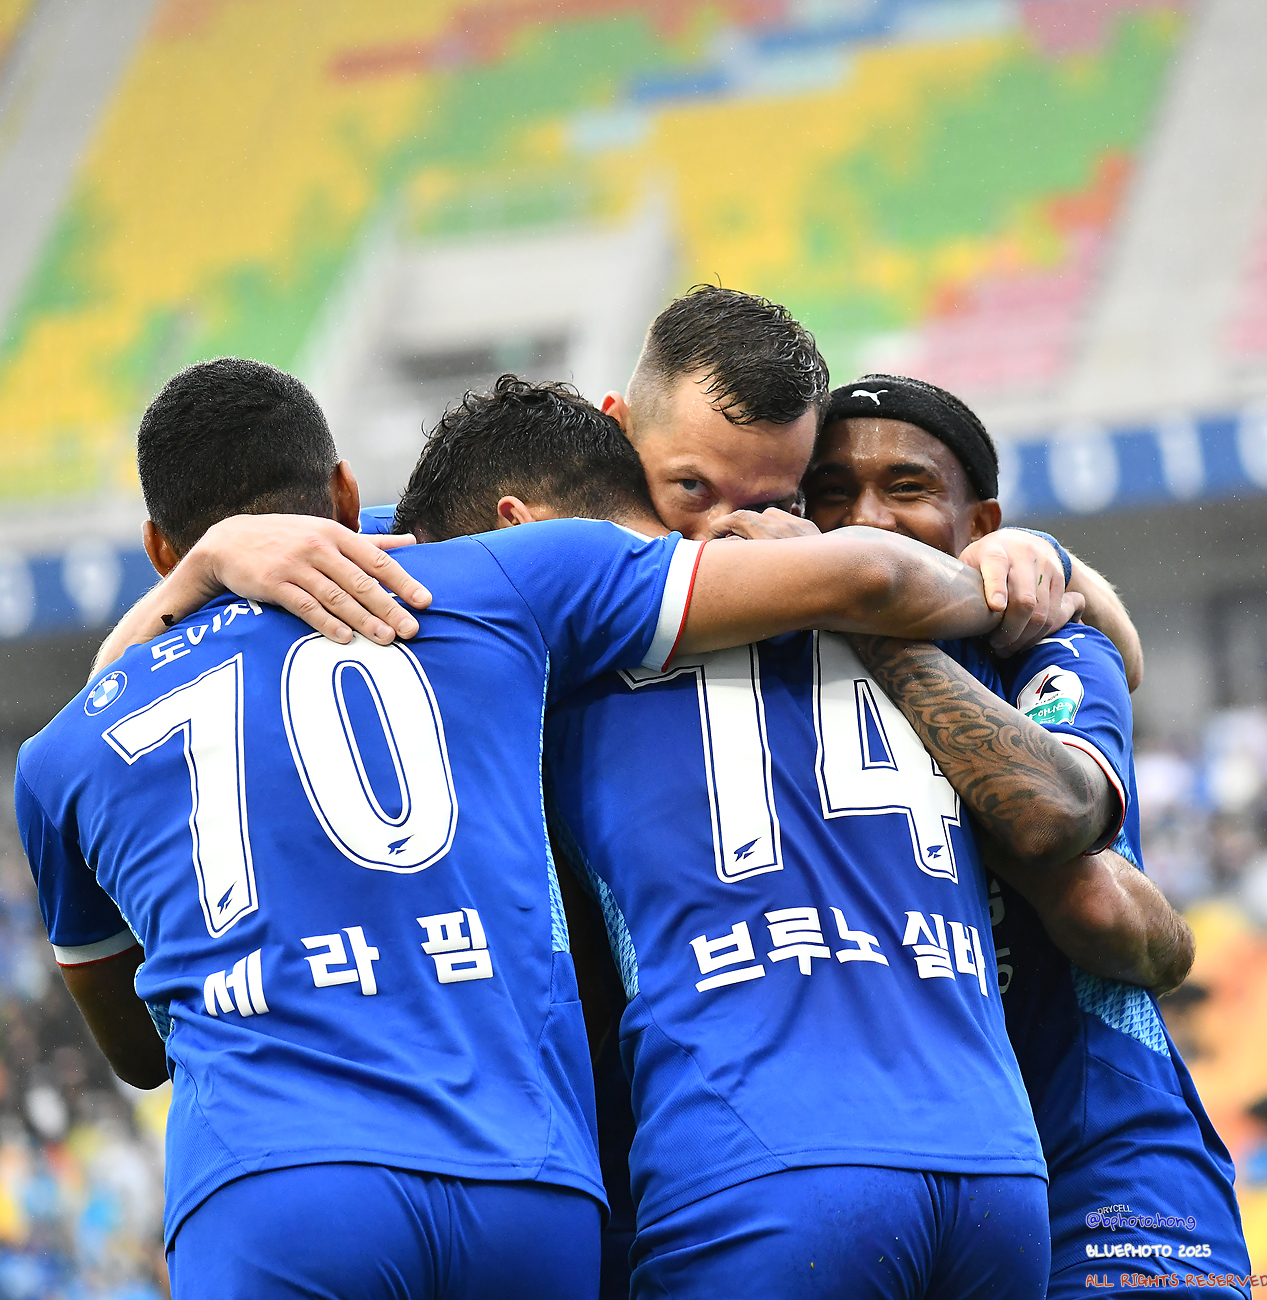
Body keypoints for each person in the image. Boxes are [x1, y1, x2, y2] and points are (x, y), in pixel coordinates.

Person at [16, 360, 1031, 1300]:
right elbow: (869, 578)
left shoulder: (60, 754)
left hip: (275, 1182)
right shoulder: (497, 582)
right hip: (526, 1182)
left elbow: (137, 1055)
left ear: (159, 547)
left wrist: (191, 580)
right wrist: (1025, 574)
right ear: (343, 492)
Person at [797, 374, 1253, 1296]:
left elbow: (1059, 831)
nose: (867, 519)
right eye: (832, 492)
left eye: (907, 488)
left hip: (1114, 1179)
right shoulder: (776, 666)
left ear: (980, 523)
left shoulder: (1046, 645)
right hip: (899, 1188)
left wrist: (871, 619)